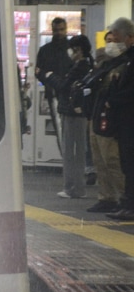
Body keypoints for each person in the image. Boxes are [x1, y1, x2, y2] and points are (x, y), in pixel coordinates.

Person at [84, 31, 127, 213]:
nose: (111, 45)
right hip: (96, 115)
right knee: (99, 159)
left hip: (111, 119)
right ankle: (106, 197)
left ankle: (124, 197)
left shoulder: (125, 66)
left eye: (115, 42)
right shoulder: (104, 65)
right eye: (108, 41)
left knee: (112, 159)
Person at [100, 19, 134, 219]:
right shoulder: (126, 59)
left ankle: (130, 205)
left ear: (129, 37)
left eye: (118, 39)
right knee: (126, 164)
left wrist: (113, 100)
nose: (115, 43)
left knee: (130, 164)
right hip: (124, 122)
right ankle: (127, 203)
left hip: (129, 120)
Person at [53, 33, 92, 199]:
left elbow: (63, 86)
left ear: (78, 50)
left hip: (72, 112)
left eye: (72, 49)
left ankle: (73, 188)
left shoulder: (79, 67)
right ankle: (74, 187)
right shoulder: (88, 65)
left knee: (72, 151)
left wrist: (49, 77)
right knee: (76, 150)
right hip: (76, 112)